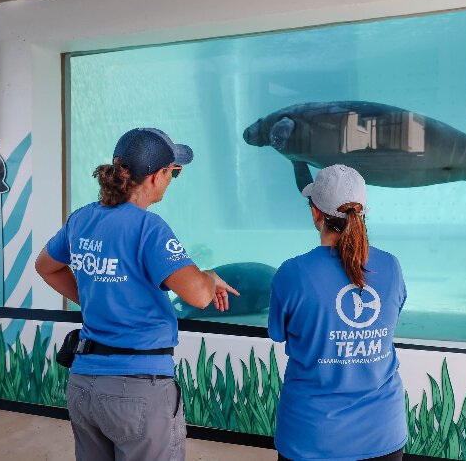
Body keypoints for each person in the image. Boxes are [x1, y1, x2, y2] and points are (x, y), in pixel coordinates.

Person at [35, 127, 239, 461]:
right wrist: (211, 276)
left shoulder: (83, 218)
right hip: (137, 389)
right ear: (157, 176)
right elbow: (199, 295)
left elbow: (46, 266)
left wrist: (95, 298)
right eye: (174, 172)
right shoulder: (149, 228)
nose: (173, 179)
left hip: (84, 383)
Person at [269, 164, 408, 461]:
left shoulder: (292, 273)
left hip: (312, 436)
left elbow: (278, 334)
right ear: (363, 213)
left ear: (315, 213)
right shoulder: (392, 267)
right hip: (383, 431)